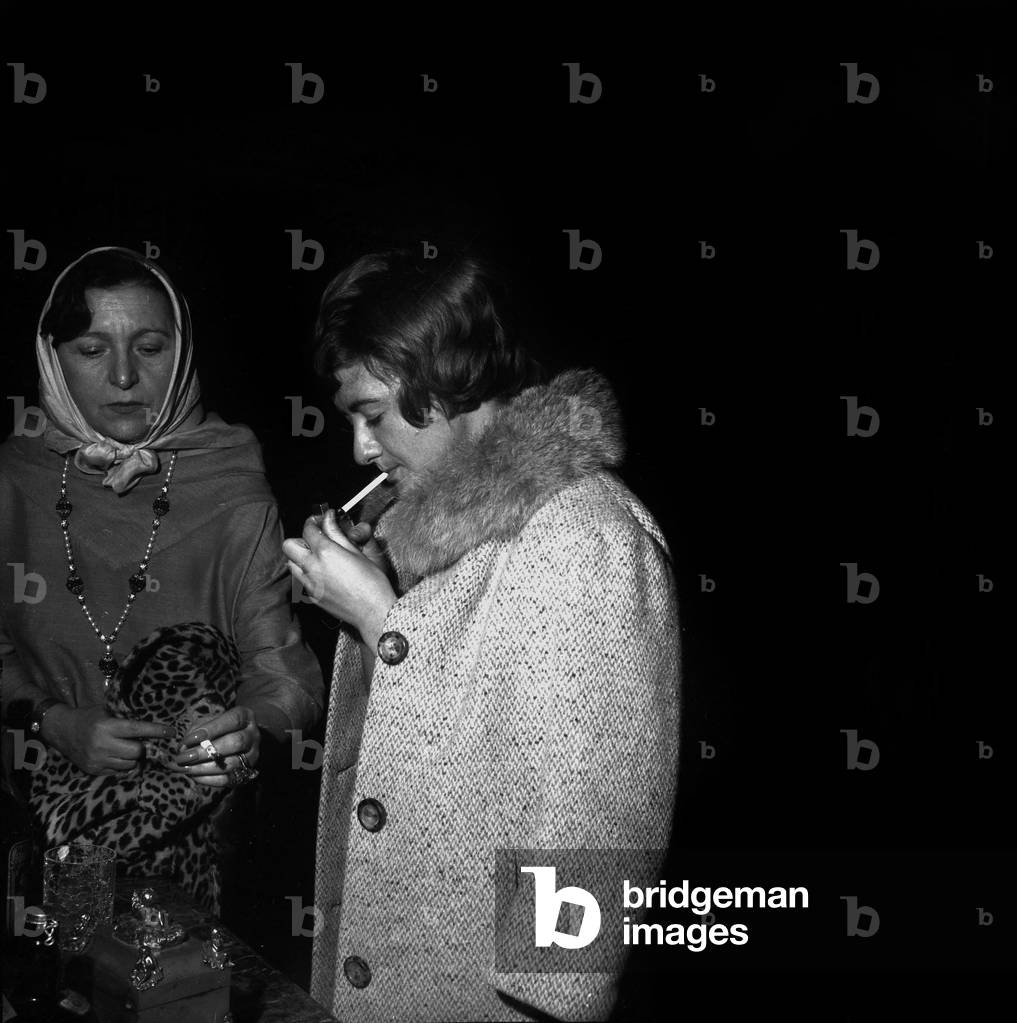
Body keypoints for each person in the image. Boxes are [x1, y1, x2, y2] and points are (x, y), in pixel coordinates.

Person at [286, 248, 680, 1021]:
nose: (360, 449)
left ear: (441, 378)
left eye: (372, 414)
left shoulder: (585, 535)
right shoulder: (450, 535)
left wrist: (377, 616)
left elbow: (589, 826)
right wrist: (386, 596)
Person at [0, 247, 323, 911]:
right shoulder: (14, 478)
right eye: (91, 349)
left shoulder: (231, 484)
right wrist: (49, 721)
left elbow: (288, 676)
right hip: (44, 843)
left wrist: (246, 732)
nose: (123, 375)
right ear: (51, 359)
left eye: (149, 346)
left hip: (200, 865)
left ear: (183, 354)